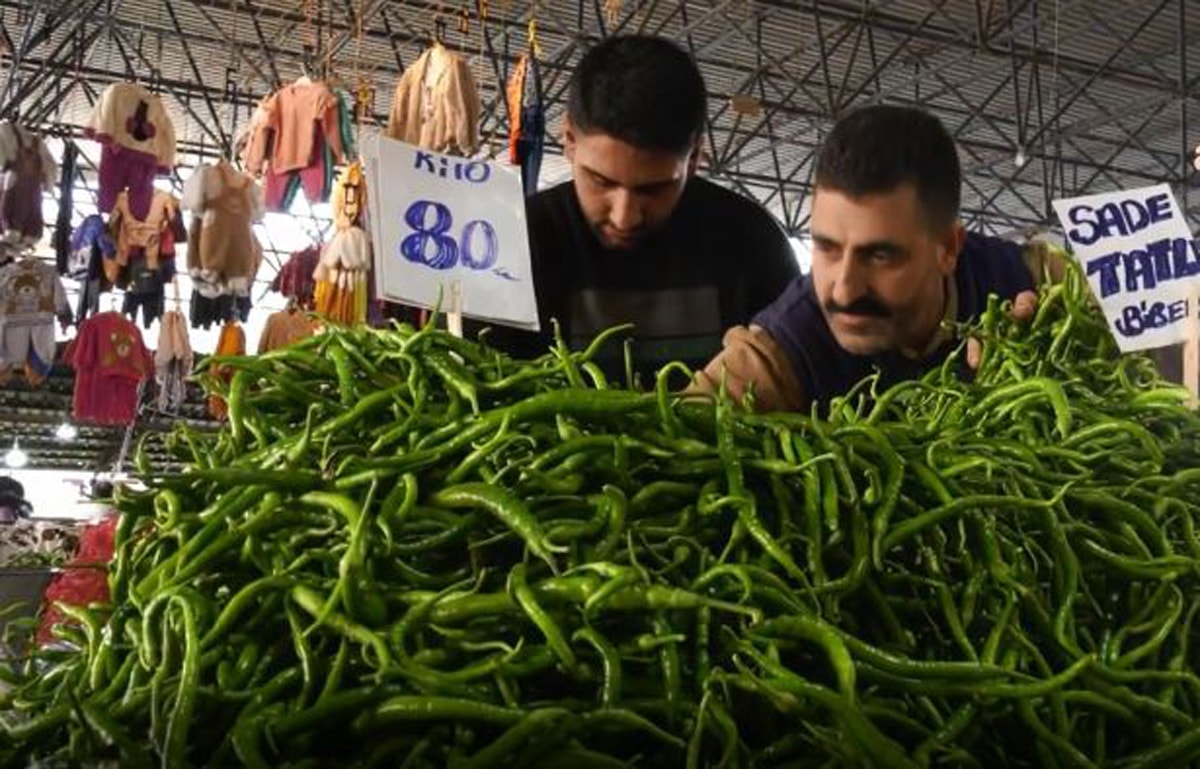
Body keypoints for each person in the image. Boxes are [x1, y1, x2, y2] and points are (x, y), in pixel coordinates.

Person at [695, 104, 1062, 412]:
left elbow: (1115, 315)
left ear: (948, 249)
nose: (843, 291)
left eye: (881, 255)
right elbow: (685, 422)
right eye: (827, 247)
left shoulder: (1031, 278)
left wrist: (1065, 345)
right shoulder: (787, 346)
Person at [482, 35, 799, 383]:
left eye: (653, 189)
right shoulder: (521, 241)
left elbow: (790, 376)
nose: (625, 216)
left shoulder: (752, 244)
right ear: (569, 141)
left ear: (693, 158)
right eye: (601, 181)